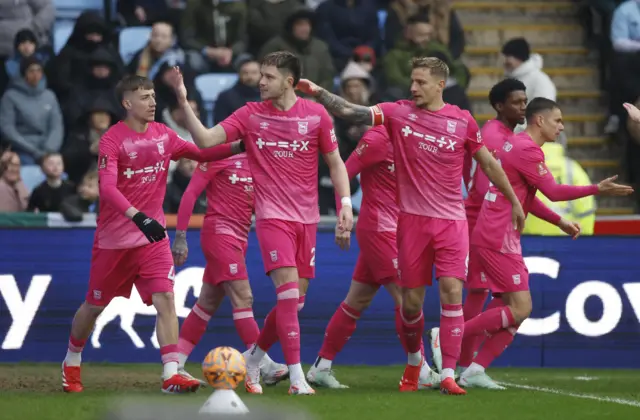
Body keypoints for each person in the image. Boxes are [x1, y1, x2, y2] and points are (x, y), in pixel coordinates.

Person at [296, 56, 526, 396]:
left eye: (420, 82)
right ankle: (416, 363)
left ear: (439, 85)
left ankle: (445, 372)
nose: (413, 87)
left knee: (443, 293)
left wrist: (515, 201)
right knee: (410, 303)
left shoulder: (462, 121)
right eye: (411, 81)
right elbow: (350, 114)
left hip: (450, 223)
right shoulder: (394, 117)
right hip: (398, 227)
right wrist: (319, 93)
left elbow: (488, 164)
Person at [166, 51, 353, 396]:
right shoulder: (250, 116)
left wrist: (345, 205)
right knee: (284, 296)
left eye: (268, 76)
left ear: (289, 82)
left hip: (307, 221)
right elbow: (206, 141)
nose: (260, 81)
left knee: (294, 304)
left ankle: (254, 357)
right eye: (260, 75)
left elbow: (336, 163)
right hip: (271, 221)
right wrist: (182, 99)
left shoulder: (315, 116)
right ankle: (296, 378)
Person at [61, 74, 246, 394]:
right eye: (145, 97)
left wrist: (240, 146)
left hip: (153, 238)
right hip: (115, 241)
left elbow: (201, 154)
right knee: (94, 306)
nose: (152, 102)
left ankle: (171, 373)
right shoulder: (112, 140)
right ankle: (72, 359)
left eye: (153, 96)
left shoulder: (164, 135)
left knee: (165, 298)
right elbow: (106, 188)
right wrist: (137, 216)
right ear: (126, 103)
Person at [452, 98, 633, 389]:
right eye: (558, 120)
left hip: (498, 233)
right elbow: (554, 191)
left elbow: (528, 196)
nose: (561, 126)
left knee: (510, 309)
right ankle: (449, 334)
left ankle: (474, 370)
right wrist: (596, 188)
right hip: (498, 236)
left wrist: (559, 222)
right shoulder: (526, 150)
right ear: (540, 120)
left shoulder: (516, 144)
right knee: (522, 308)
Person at [432, 79, 576, 384]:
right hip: (481, 224)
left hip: (490, 224)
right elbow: (496, 190)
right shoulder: (497, 138)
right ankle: (455, 353)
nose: (523, 107)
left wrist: (558, 221)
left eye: (525, 101)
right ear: (499, 106)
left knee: (505, 302)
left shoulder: (510, 137)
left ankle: (469, 366)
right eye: (516, 102)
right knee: (487, 296)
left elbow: (520, 193)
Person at [306, 125, 441, 390]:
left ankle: (321, 367)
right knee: (407, 297)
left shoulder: (414, 137)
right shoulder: (378, 138)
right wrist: (342, 215)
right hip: (379, 230)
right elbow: (343, 172)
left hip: (400, 230)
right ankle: (421, 369)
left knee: (356, 300)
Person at [171, 153, 289, 387]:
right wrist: (180, 237)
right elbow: (191, 193)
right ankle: (263, 364)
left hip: (240, 237)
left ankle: (176, 365)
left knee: (206, 303)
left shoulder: (261, 159)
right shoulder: (219, 153)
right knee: (244, 297)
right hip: (219, 233)